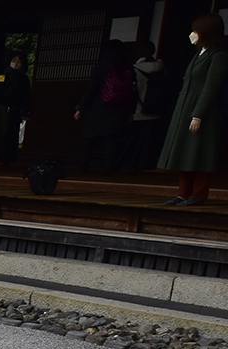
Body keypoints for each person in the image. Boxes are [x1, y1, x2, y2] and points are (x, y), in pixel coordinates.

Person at [158, 14, 227, 205]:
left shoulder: (219, 56)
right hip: (186, 107)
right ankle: (183, 193)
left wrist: (198, 114)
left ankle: (198, 194)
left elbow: (211, 88)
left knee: (202, 152)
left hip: (204, 111)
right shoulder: (200, 53)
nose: (193, 34)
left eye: (196, 30)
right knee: (186, 151)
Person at [75, 39, 137, 173]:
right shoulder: (128, 68)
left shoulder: (101, 67)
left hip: (98, 107)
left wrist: (81, 106)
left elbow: (91, 89)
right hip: (120, 109)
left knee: (89, 138)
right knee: (112, 140)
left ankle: (83, 166)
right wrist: (131, 110)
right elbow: (133, 91)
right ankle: (108, 168)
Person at [129, 40, 175, 171]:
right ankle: (150, 164)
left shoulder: (136, 69)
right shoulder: (161, 68)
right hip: (157, 108)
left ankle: (134, 165)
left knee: (136, 141)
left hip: (140, 108)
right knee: (151, 141)